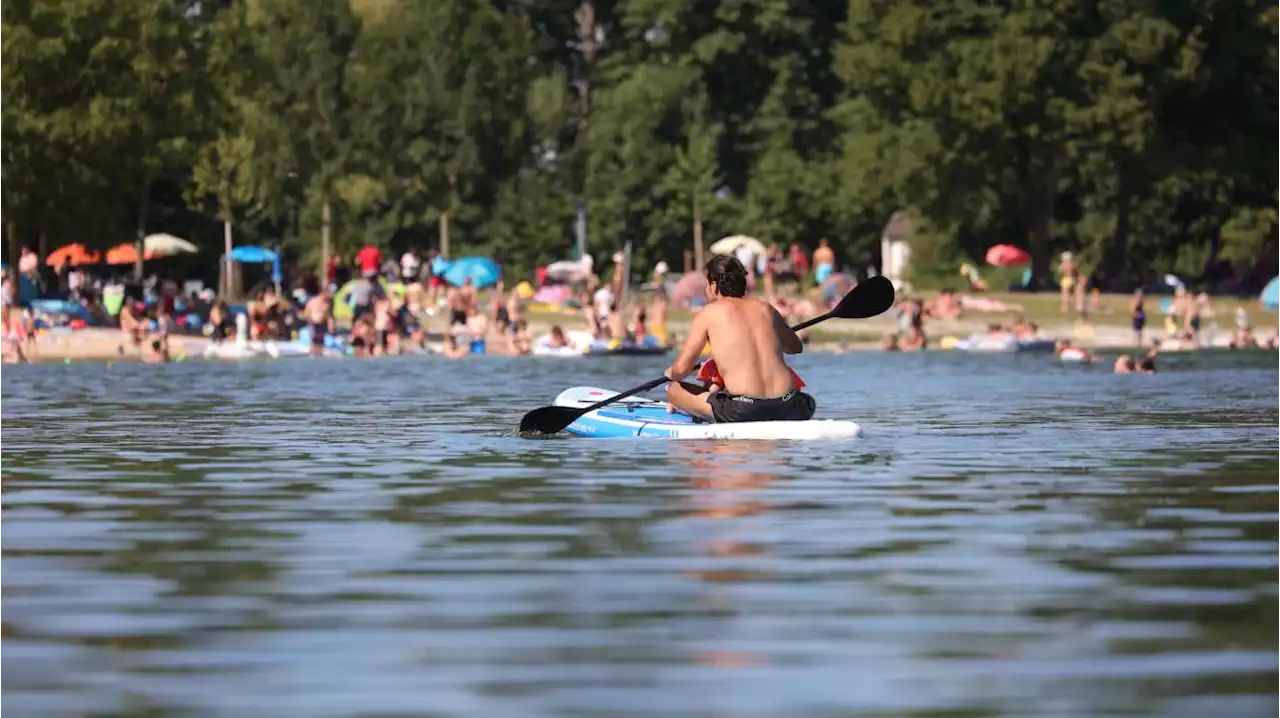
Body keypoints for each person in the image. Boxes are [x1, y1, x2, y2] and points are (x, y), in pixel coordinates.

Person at [663, 255, 815, 424]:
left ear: (714, 286)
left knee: (673, 389)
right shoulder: (766, 309)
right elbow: (795, 347)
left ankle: (698, 411)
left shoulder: (708, 313)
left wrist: (670, 373)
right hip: (792, 405)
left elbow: (681, 370)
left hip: (745, 410)